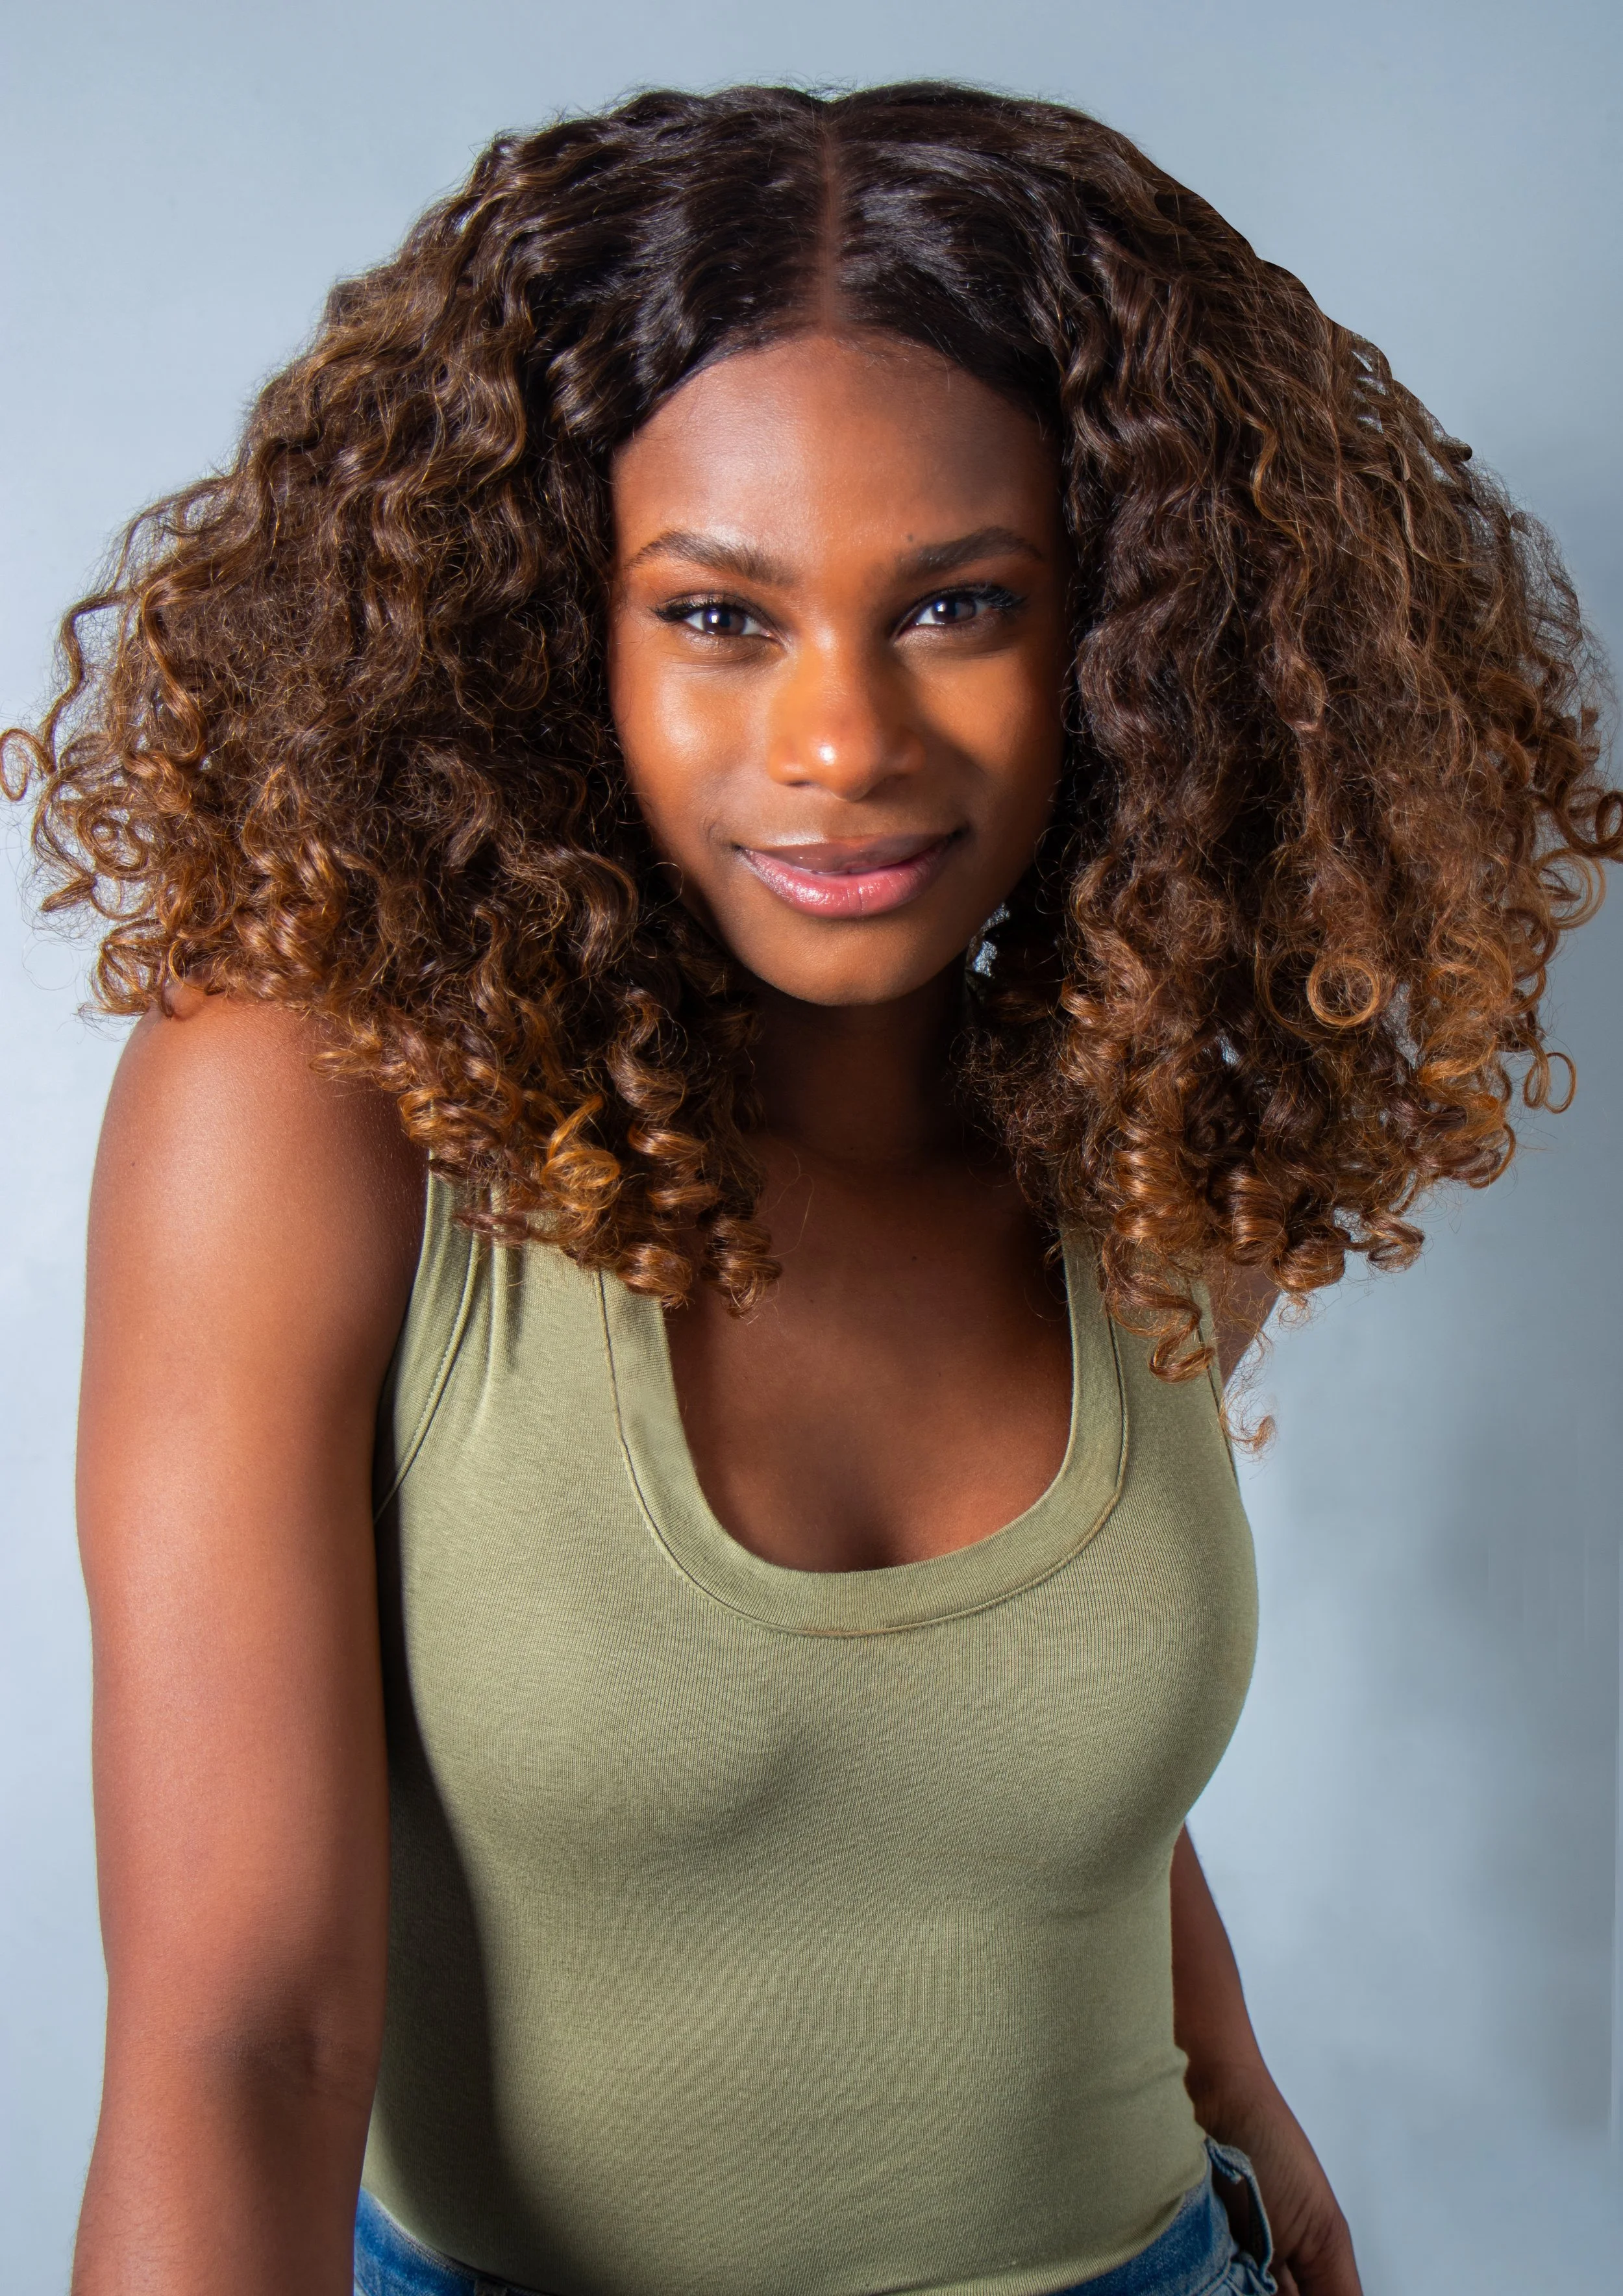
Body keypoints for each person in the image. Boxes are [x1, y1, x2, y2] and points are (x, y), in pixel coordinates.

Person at [7, 79, 1618, 2296]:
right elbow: (242, 2048)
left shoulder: (1140, 1119)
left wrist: (1244, 2109)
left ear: (1131, 636)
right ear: (546, 634)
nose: (842, 741)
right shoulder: (313, 1110)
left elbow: (986, 1752)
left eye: (957, 605)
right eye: (720, 618)